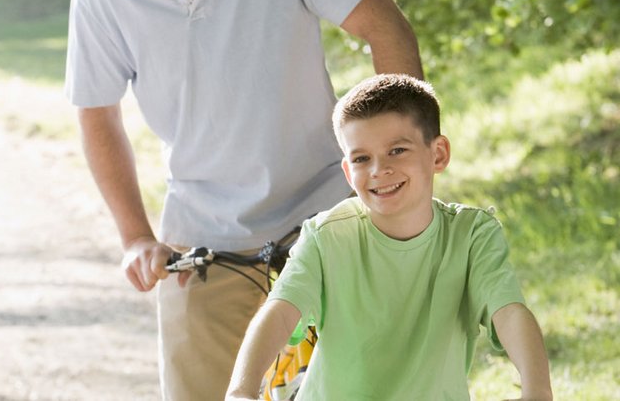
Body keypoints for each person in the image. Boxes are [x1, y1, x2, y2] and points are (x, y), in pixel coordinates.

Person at [64, 0, 423, 399]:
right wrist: (134, 236)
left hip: (329, 217)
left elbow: (386, 32)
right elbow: (97, 114)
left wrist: (392, 169)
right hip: (203, 240)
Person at [226, 74, 554, 400]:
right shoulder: (327, 236)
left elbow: (508, 311)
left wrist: (537, 390)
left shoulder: (472, 235)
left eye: (397, 150)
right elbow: (281, 311)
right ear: (347, 171)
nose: (378, 170)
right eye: (361, 158)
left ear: (438, 154)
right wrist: (241, 390)